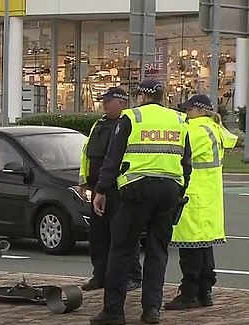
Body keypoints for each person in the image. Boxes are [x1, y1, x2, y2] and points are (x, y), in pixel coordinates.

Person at [89, 79, 192, 325]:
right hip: (168, 190)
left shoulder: (131, 118)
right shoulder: (179, 120)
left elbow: (113, 158)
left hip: (136, 190)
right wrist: (180, 190)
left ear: (142, 97)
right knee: (158, 252)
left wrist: (101, 189)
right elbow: (186, 163)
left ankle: (114, 311)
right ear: (162, 95)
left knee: (121, 249)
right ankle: (151, 310)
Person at [164, 95, 238, 310]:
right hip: (210, 195)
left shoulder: (193, 130)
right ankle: (205, 291)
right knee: (204, 245)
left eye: (188, 109)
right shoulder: (214, 128)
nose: (186, 113)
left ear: (199, 110)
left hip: (192, 193)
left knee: (190, 246)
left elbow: (177, 155)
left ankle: (189, 293)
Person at [79, 87, 142, 292]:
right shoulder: (99, 124)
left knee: (123, 234)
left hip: (119, 188)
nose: (104, 104)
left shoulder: (128, 123)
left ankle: (131, 276)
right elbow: (87, 154)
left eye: (109, 101)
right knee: (98, 235)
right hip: (98, 188)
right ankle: (100, 275)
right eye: (103, 101)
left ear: (122, 102)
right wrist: (83, 182)